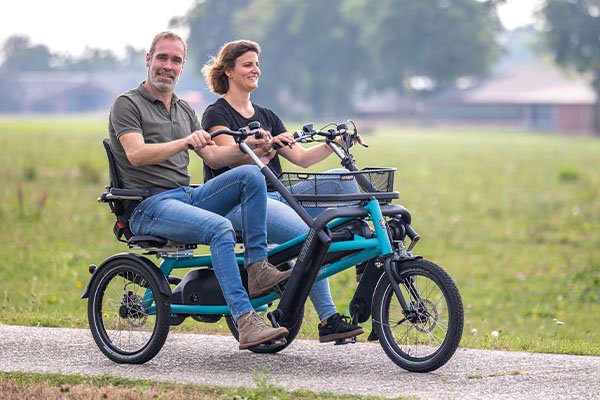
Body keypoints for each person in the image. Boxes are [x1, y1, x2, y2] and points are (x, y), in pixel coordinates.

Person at [108, 31, 292, 350]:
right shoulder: (128, 104)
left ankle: (258, 269)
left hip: (185, 195)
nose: (168, 65)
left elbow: (213, 156)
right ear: (149, 60)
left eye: (176, 60)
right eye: (162, 58)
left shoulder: (184, 110)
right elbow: (135, 155)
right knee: (220, 228)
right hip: (147, 205)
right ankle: (245, 320)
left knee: (249, 174)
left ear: (182, 66)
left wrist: (247, 147)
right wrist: (184, 141)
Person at [201, 39, 364, 343]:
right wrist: (263, 146)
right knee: (311, 236)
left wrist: (334, 145)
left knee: (343, 177)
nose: (256, 70)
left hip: (278, 194)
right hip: (241, 203)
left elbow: (301, 158)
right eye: (248, 64)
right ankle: (328, 319)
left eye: (257, 64)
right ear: (229, 71)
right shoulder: (216, 114)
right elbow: (226, 157)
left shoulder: (266, 114)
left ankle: (365, 258)